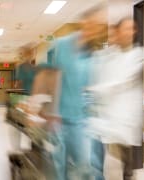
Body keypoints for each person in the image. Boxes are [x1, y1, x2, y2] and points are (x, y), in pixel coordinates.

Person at [47, 3, 108, 180]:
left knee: (87, 168)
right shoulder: (62, 45)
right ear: (84, 22)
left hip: (82, 121)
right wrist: (52, 113)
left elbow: (93, 88)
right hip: (60, 119)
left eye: (100, 26)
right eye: (94, 23)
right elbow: (54, 79)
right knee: (60, 169)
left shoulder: (94, 53)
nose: (96, 29)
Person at [86, 17, 144, 180]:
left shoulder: (138, 55)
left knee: (126, 162)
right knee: (100, 158)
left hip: (125, 118)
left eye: (132, 29)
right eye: (125, 28)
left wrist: (94, 90)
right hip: (106, 115)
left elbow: (121, 82)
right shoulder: (110, 55)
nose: (129, 32)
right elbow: (101, 76)